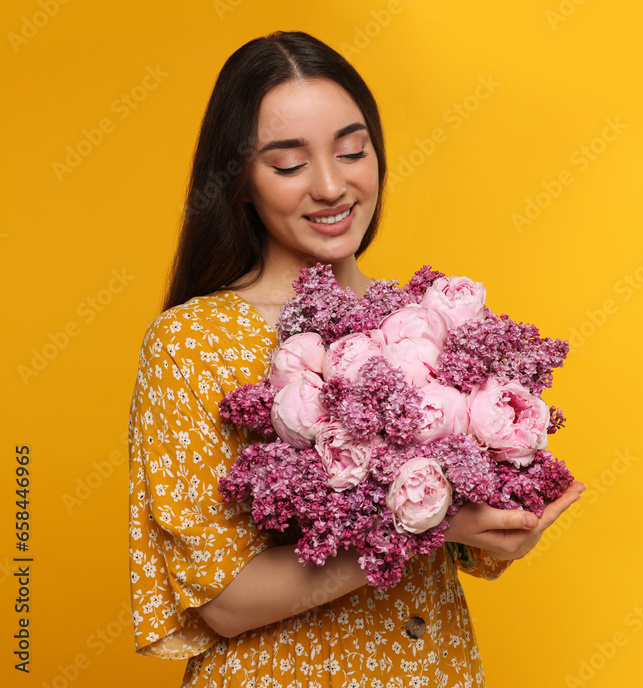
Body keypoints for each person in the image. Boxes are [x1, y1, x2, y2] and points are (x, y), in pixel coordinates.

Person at [127, 30, 584, 687]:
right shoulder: (193, 343)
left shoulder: (429, 320)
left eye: (352, 150)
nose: (331, 185)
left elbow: (468, 543)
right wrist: (419, 524)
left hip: (432, 668)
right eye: (288, 165)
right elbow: (223, 602)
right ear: (241, 183)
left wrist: (507, 515)